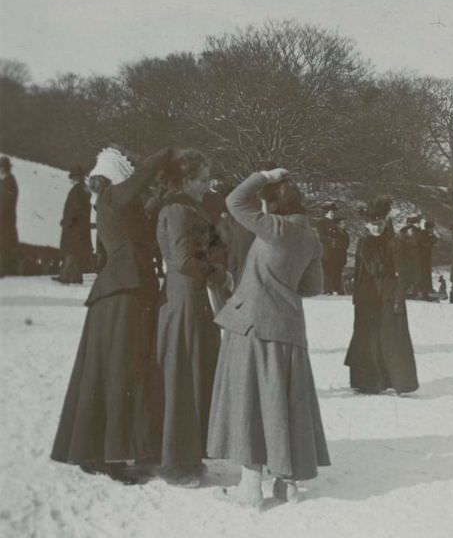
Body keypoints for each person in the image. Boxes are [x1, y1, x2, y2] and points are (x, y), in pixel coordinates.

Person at [207, 167, 330, 507]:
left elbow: (234, 200)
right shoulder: (310, 237)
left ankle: (249, 487)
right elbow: (313, 286)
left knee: (250, 402)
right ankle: (286, 484)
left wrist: (263, 174)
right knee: (283, 403)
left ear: (271, 204)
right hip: (288, 327)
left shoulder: (274, 227)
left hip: (254, 326)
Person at [51, 146, 172, 482]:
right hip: (123, 294)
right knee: (122, 370)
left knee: (107, 371)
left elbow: (139, 226)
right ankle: (113, 456)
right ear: (116, 175)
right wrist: (169, 153)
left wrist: (159, 198)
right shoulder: (113, 197)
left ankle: (98, 452)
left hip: (119, 293)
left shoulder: (114, 204)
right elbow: (146, 170)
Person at [156, 149, 224, 483]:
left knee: (193, 374)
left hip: (191, 296)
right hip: (182, 298)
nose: (207, 185)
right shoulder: (178, 211)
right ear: (186, 180)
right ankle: (176, 463)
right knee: (183, 376)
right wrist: (216, 272)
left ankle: (188, 456)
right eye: (202, 179)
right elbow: (182, 260)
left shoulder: (188, 208)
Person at [345, 197, 419, 396]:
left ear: (385, 222)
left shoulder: (395, 243)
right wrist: (356, 295)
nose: (376, 228)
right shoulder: (363, 242)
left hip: (389, 295)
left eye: (379, 224)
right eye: (372, 224)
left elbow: (405, 273)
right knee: (366, 337)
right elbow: (360, 269)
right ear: (366, 224)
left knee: (391, 338)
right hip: (367, 296)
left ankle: (399, 381)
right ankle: (367, 382)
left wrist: (399, 298)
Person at [54, 166, 92, 284]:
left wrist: (67, 221)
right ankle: (74, 277)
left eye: (73, 177)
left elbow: (74, 210)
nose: (72, 179)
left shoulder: (76, 190)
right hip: (80, 226)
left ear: (76, 178)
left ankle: (66, 277)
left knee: (71, 251)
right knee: (75, 251)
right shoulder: (84, 190)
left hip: (73, 227)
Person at [317, 202, 346, 295]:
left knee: (337, 269)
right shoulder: (321, 222)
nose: (333, 214)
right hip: (327, 250)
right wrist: (331, 240)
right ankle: (327, 289)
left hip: (337, 251)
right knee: (327, 270)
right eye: (331, 212)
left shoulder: (335, 223)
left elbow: (342, 235)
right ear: (326, 213)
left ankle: (338, 288)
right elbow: (321, 236)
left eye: (333, 212)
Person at [0, 155, 19, 276]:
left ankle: (3, 270)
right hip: (5, 220)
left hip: (5, 220)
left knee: (4, 245)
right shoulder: (5, 181)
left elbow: (5, 203)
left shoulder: (9, 182)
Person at [418, 216, 438, 300]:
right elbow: (425, 244)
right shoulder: (423, 234)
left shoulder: (427, 235)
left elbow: (435, 240)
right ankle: (424, 293)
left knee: (426, 275)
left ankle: (426, 292)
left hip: (426, 259)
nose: (433, 230)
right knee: (424, 276)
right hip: (422, 259)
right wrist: (431, 240)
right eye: (432, 228)